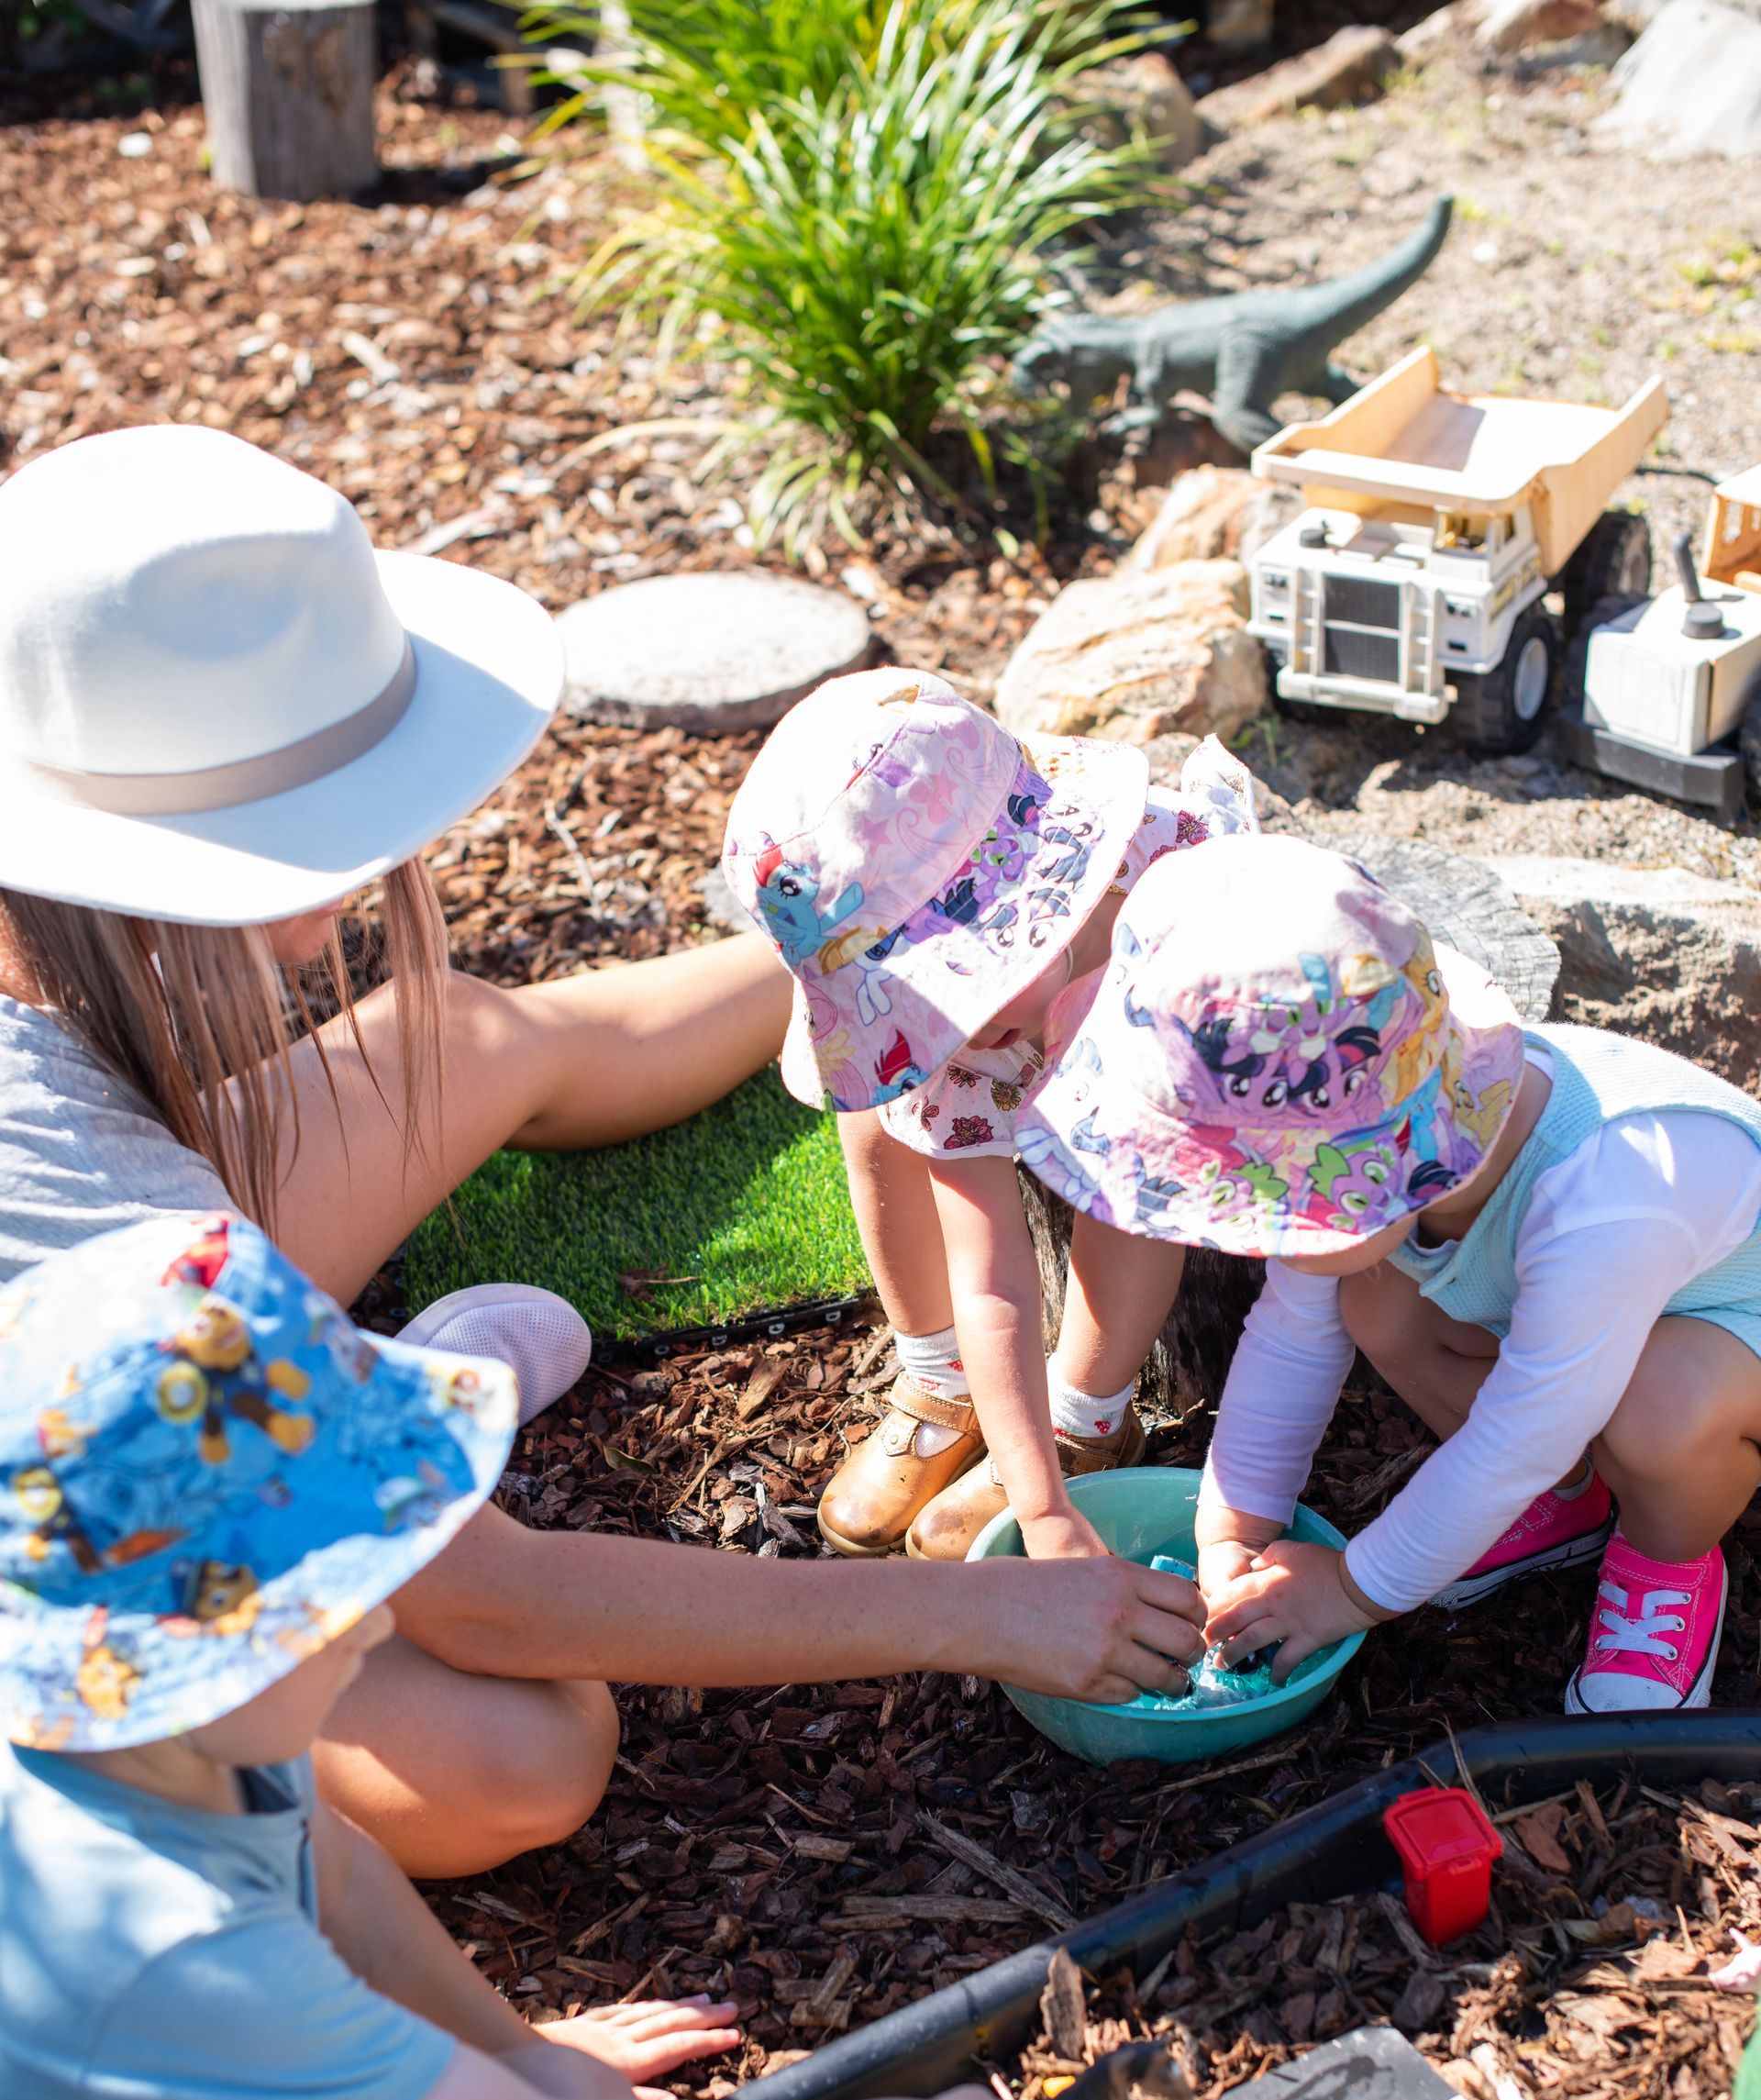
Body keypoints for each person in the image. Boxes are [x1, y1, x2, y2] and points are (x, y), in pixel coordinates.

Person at [0, 426, 1206, 1878]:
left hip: (135, 1302)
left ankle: (851, 971)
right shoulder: (128, 1243)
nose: (327, 926)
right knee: (524, 1756)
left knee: (463, 1035)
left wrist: (901, 961)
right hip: (71, 1509)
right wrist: (984, 1613)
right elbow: (492, 1606)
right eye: (301, 862)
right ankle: (348, 1404)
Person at [0, 1213, 1100, 2100]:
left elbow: (337, 1877)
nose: (374, 1632)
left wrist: (507, 2048)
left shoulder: (156, 1739)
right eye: (333, 1606)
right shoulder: (149, 1927)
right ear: (197, 1662)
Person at [1016, 835, 1761, 1716]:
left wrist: (1349, 1589)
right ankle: (1568, 1504)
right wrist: (1231, 1529)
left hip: (1725, 1331)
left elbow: (1511, 1439)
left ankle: (1666, 1558)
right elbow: (1291, 1334)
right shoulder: (1411, 1135)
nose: (1250, 1246)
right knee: (1370, 1295)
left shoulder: (1609, 1193)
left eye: (1268, 1213)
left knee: (1659, 1413)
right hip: (1582, 1331)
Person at [722, 665, 1258, 1563]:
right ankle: (941, 1379)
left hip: (1146, 1053)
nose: (959, 1028)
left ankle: (1086, 1415)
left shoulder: (1164, 925)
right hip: (1011, 1087)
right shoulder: (944, 1043)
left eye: (971, 985)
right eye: (926, 1006)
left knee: (1124, 1160)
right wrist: (1040, 1509)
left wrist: (1043, 1481)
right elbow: (995, 1279)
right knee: (879, 1115)